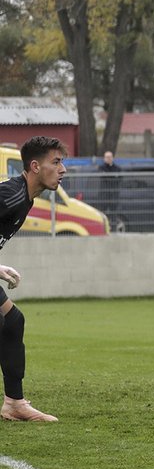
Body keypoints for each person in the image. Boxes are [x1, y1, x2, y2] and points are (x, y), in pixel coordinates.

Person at [0, 136, 67, 421]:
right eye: (57, 162)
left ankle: (14, 403)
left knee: (13, 321)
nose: (63, 169)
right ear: (36, 166)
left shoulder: (26, 197)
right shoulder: (12, 195)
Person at [97, 150, 121, 217]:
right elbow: (103, 177)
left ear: (112, 158)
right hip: (103, 196)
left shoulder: (118, 168)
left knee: (113, 215)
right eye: (107, 157)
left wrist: (107, 175)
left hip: (114, 196)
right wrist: (113, 176)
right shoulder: (101, 168)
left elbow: (119, 179)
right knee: (102, 215)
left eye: (110, 157)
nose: (109, 158)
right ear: (104, 158)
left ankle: (113, 227)